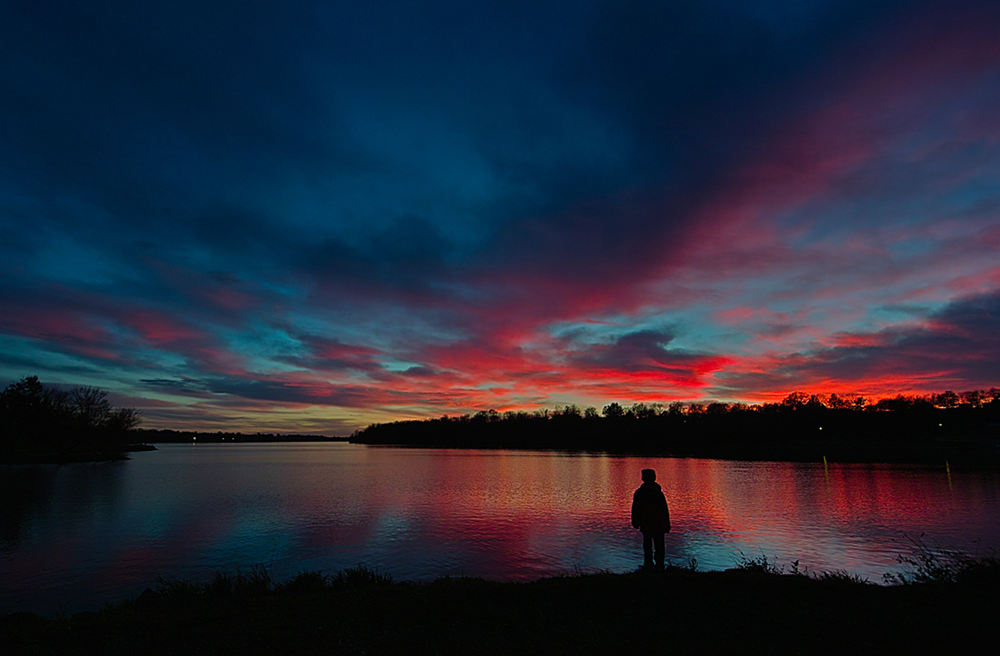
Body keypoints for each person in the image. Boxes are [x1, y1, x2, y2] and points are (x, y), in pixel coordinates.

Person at [631, 468, 671, 570]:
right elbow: (664, 509)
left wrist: (635, 521)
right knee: (658, 546)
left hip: (649, 523)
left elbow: (635, 508)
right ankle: (657, 565)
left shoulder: (641, 492)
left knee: (649, 545)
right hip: (656, 523)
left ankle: (651, 565)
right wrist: (667, 523)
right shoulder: (656, 492)